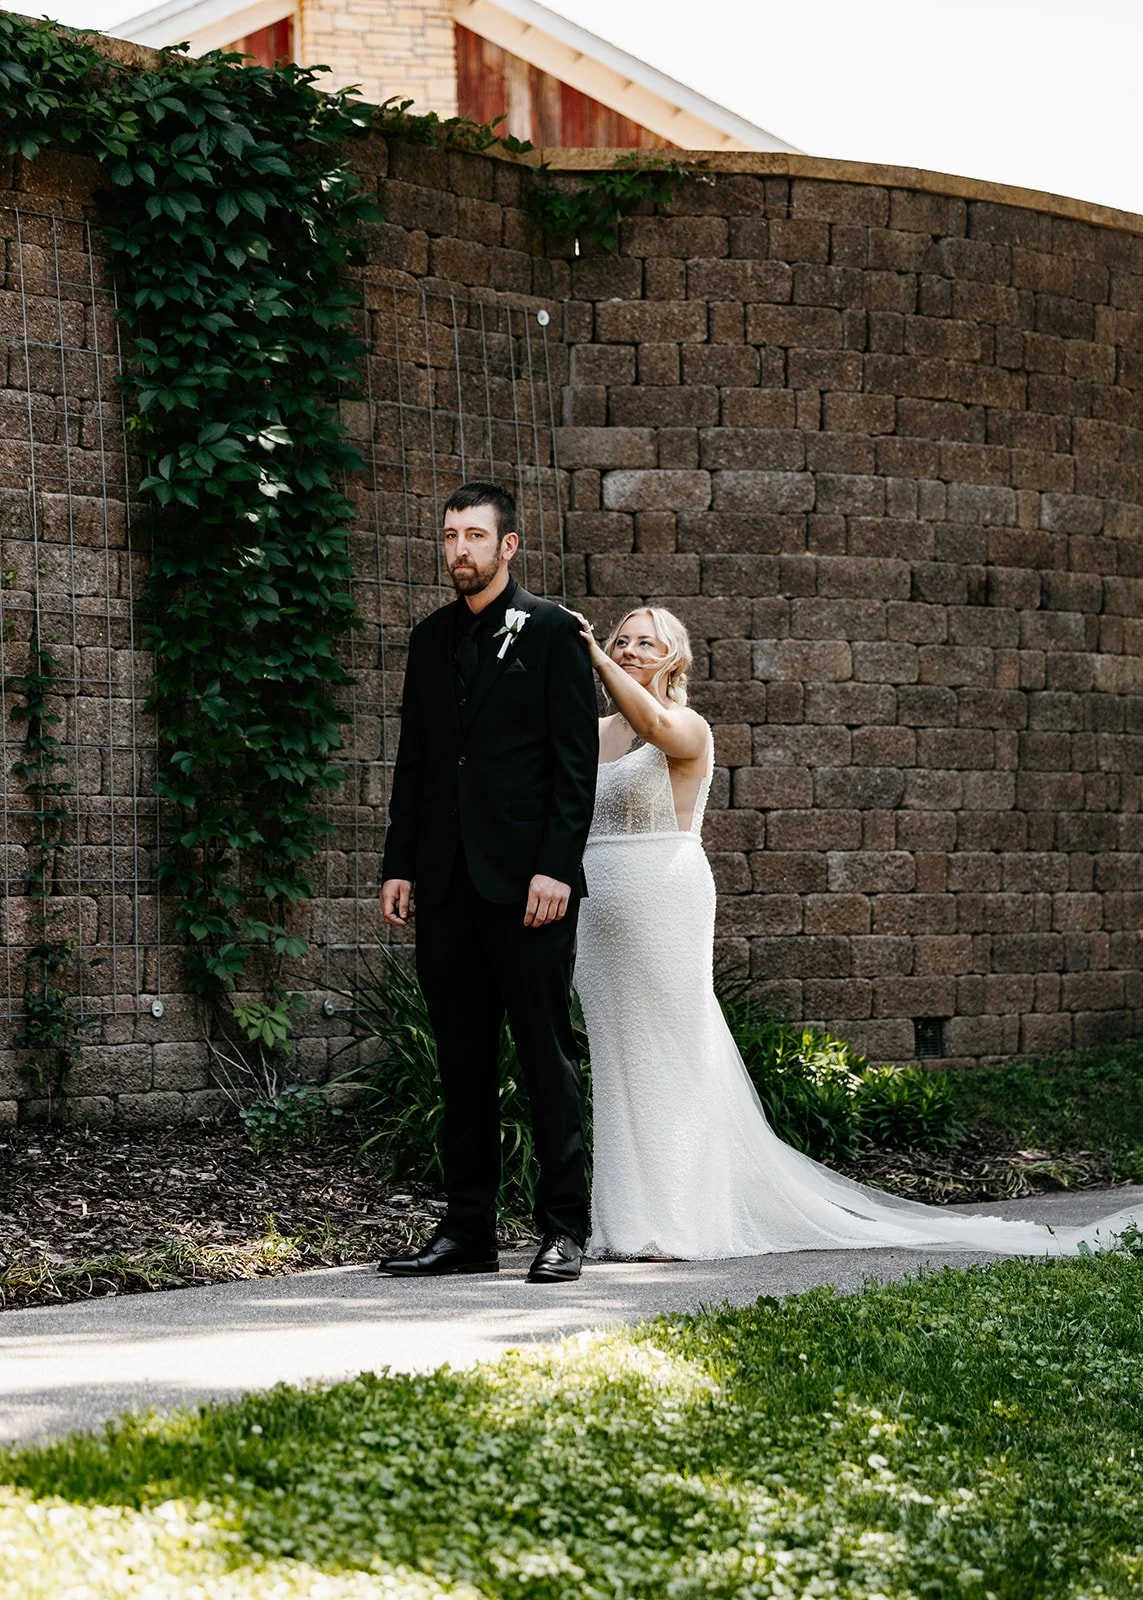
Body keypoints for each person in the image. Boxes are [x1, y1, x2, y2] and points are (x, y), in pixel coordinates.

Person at [569, 603, 1141, 1260]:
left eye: (647, 642)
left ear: (674, 659)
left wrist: (596, 659)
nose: (632, 649)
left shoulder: (685, 725)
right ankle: (623, 1223)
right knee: (619, 1063)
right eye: (622, 640)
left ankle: (675, 1223)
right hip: (598, 912)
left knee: (670, 1055)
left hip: (662, 898)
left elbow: (651, 722)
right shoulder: (592, 731)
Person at [376, 483, 598, 1283]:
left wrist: (556, 868)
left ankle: (563, 1227)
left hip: (528, 885)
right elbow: (417, 763)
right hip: (443, 885)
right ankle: (466, 1232)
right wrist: (399, 862)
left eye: (473, 536)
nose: (458, 550)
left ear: (508, 545)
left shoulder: (551, 633)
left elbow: (575, 767)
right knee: (460, 1062)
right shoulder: (428, 639)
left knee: (545, 1057)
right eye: (448, 537)